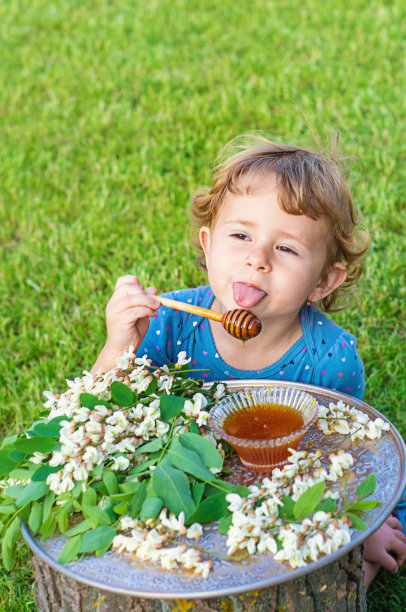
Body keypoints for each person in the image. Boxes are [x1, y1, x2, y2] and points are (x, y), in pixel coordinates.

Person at [91, 133, 406, 586]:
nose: (256, 259)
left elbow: (343, 458)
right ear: (208, 243)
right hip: (190, 490)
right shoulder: (168, 325)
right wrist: (118, 346)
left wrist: (362, 528)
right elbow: (99, 415)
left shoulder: (329, 361)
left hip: (287, 498)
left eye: (286, 248)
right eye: (240, 235)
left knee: (345, 565)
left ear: (323, 281)